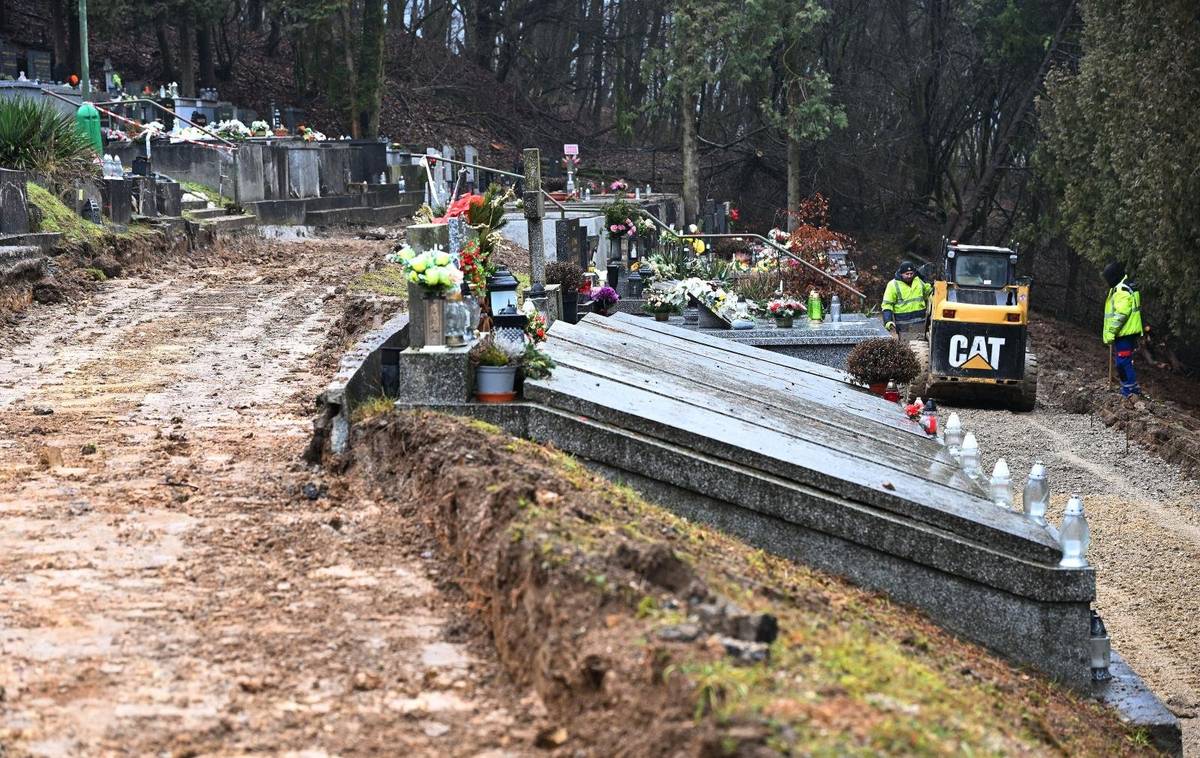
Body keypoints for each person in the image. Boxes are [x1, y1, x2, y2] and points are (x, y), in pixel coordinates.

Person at [1102, 261, 1148, 399]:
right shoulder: (1125, 285)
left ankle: (1130, 391)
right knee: (1123, 361)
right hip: (1126, 333)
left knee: (1123, 361)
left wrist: (1110, 332)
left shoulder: (1121, 290)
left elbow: (1121, 314)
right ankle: (1129, 388)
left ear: (1114, 276)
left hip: (1125, 333)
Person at [881, 261, 932, 340]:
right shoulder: (893, 285)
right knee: (907, 348)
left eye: (911, 274)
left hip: (920, 326)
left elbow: (929, 293)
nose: (909, 276)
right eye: (907, 274)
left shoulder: (918, 281)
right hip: (903, 327)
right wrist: (888, 321)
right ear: (901, 273)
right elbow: (887, 305)